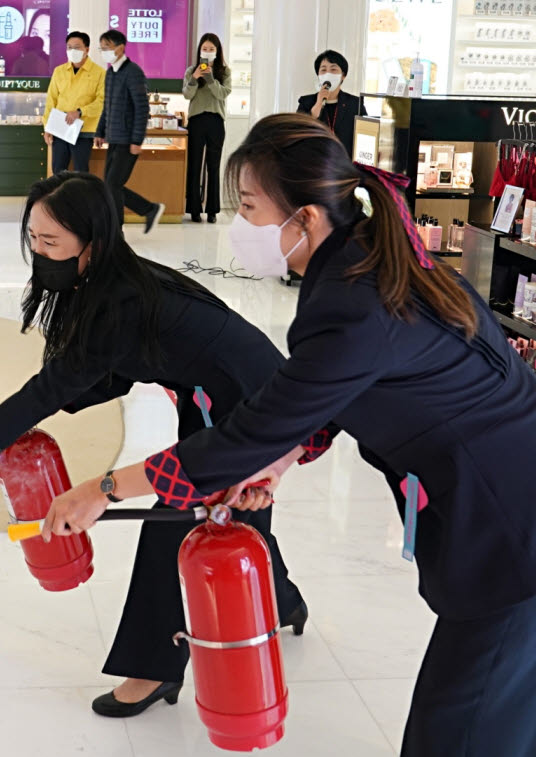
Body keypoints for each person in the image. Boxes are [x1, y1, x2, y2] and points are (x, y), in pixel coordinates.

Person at [44, 115, 536, 756]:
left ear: (304, 218)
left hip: (511, 535)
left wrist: (106, 487)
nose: (239, 225)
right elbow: (330, 397)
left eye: (248, 206)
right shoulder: (368, 263)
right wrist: (277, 464)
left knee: (460, 734)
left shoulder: (352, 303)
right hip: (506, 507)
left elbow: (241, 435)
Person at [0, 171, 308, 719]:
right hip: (210, 394)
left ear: (92, 242)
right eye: (33, 238)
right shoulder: (107, 281)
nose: (39, 252)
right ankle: (284, 600)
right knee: (230, 516)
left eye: (51, 242)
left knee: (176, 529)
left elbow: (48, 390)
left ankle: (152, 669)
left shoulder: (119, 300)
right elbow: (110, 371)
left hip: (250, 405)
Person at [95, 30, 164, 235]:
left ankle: (117, 231)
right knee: (110, 186)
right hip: (113, 138)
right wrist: (100, 131)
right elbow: (107, 106)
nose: (104, 52)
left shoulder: (133, 72)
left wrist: (137, 140)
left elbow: (142, 108)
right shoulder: (110, 73)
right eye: (102, 48)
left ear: (120, 48)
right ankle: (149, 209)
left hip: (127, 140)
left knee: (113, 185)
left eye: (106, 48)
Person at [182, 33, 231, 224]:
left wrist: (210, 79)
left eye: (212, 49)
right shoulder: (190, 70)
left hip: (216, 121)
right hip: (196, 121)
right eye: (205, 49)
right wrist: (195, 78)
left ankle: (212, 210)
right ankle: (194, 209)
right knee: (194, 165)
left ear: (217, 52)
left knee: (213, 165)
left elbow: (223, 94)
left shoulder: (225, 72)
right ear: (199, 51)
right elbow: (187, 94)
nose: (208, 52)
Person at [43, 31, 104, 175]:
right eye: (69, 47)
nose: (72, 51)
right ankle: (59, 198)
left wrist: (80, 112)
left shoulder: (99, 73)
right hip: (60, 127)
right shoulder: (59, 71)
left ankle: (80, 198)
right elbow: (51, 100)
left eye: (77, 47)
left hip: (84, 129)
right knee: (58, 171)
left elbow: (102, 102)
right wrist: (47, 126)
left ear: (87, 49)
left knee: (80, 172)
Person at [297, 50, 366, 155]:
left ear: (343, 75)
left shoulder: (355, 103)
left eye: (333, 69)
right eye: (323, 70)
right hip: (314, 162)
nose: (328, 74)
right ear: (318, 75)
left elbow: (365, 135)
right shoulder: (306, 102)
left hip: (345, 164)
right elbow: (298, 132)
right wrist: (317, 105)